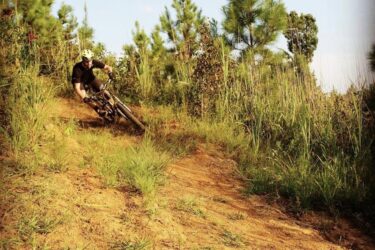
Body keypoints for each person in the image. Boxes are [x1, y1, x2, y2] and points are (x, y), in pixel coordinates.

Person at [71, 49, 114, 115]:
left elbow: (108, 67)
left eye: (90, 61)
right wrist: (84, 98)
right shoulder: (77, 69)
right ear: (83, 60)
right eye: (87, 62)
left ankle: (114, 107)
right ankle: (98, 110)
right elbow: (77, 88)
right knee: (86, 98)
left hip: (91, 79)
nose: (89, 63)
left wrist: (110, 73)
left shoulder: (93, 62)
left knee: (104, 92)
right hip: (80, 82)